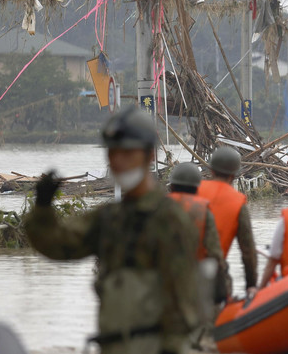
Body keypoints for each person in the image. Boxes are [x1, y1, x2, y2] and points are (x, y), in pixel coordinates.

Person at [25, 106, 200, 354]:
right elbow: (58, 246)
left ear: (149, 155)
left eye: (128, 152)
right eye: (113, 152)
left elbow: (183, 306)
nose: (119, 160)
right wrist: (43, 207)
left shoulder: (170, 220)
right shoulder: (109, 218)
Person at [197, 146, 258, 299]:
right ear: (234, 175)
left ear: (211, 170)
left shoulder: (192, 190)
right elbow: (248, 251)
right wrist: (251, 285)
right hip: (212, 276)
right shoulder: (238, 201)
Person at [168, 162, 229, 304]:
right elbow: (215, 254)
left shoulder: (155, 207)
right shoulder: (203, 211)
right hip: (192, 286)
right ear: (197, 188)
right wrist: (221, 293)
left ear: (171, 186)